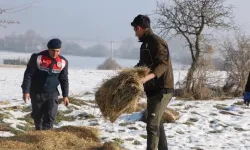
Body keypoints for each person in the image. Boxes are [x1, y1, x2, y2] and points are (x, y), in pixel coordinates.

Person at [131, 14, 174, 150]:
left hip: (162, 89)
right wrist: (129, 75)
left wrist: (146, 78)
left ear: (139, 28)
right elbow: (142, 65)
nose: (135, 35)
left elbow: (162, 64)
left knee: (152, 124)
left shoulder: (156, 42)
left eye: (135, 31)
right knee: (157, 123)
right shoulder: (145, 44)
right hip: (153, 90)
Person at [21, 38, 69, 130]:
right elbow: (28, 75)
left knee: (50, 117)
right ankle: (38, 137)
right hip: (37, 93)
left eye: (57, 51)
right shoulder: (37, 57)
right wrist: (26, 91)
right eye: (52, 51)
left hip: (52, 93)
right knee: (38, 118)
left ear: (60, 49)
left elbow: (64, 79)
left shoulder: (63, 62)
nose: (55, 54)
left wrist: (65, 95)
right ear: (48, 49)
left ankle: (47, 139)